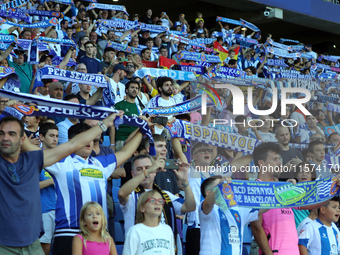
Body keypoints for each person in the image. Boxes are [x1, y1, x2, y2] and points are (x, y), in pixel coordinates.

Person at [0, 112, 118, 254]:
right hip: (4, 244)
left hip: (32, 243)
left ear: (22, 139)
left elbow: (74, 144)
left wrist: (104, 123)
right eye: (1, 133)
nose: (6, 138)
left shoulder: (34, 159)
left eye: (12, 134)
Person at [47, 117, 144, 255]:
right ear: (72, 142)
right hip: (68, 232)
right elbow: (33, 153)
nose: (89, 142)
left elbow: (126, 152)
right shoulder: (60, 161)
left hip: (98, 234)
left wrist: (143, 130)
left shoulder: (101, 163)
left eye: (91, 139)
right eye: (84, 138)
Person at [200, 176, 267, 255]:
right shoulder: (207, 209)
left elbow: (266, 206)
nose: (225, 187)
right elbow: (207, 203)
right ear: (208, 193)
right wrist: (219, 187)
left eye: (225, 185)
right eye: (219, 185)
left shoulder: (238, 210)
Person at [122, 190, 175, 255]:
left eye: (160, 201)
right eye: (153, 200)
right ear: (142, 208)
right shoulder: (135, 231)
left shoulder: (167, 229)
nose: (157, 203)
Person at [39, 123, 59, 255]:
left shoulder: (61, 157)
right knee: (45, 248)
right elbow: (28, 186)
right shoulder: (35, 157)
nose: (55, 139)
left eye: (57, 136)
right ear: (41, 137)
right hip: (44, 210)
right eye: (51, 135)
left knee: (59, 247)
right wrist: (51, 181)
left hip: (60, 208)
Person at [113, 80, 142, 151]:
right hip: (122, 140)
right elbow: (112, 126)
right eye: (132, 87)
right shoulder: (118, 106)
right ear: (126, 90)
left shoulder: (139, 108)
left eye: (137, 88)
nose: (135, 89)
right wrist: (112, 144)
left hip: (136, 142)